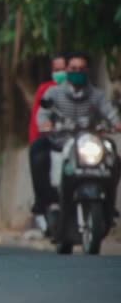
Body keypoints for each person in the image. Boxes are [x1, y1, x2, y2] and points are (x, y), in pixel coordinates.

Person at [30, 52, 121, 224]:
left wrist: (116, 123)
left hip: (89, 144)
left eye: (81, 69)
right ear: (67, 70)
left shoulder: (97, 95)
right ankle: (44, 203)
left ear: (87, 70)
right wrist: (46, 124)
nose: (77, 72)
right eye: (73, 69)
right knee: (38, 152)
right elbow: (42, 114)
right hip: (60, 142)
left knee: (113, 154)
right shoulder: (53, 93)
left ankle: (109, 204)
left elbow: (110, 113)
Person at [28, 54, 68, 144]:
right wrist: (35, 142)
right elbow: (37, 117)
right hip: (52, 138)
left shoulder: (80, 89)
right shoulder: (45, 89)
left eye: (63, 69)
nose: (60, 73)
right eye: (57, 70)